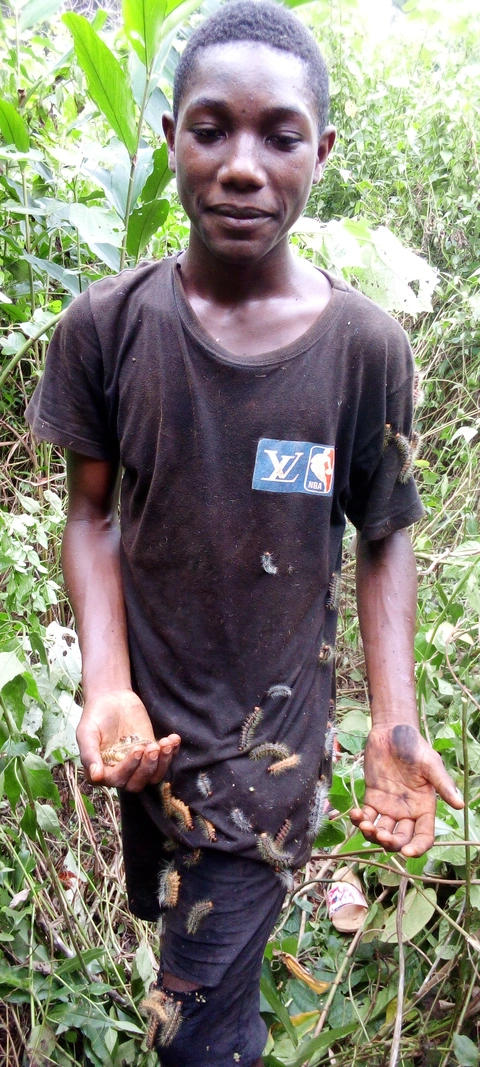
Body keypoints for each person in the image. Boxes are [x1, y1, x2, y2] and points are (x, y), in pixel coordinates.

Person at [26, 2, 463, 1064]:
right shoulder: (108, 325)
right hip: (138, 741)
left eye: (278, 136)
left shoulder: (364, 348)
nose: (240, 165)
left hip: (263, 759)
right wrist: (105, 683)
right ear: (170, 132)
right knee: (180, 948)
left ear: (322, 150)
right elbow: (91, 512)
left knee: (197, 1032)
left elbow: (386, 530)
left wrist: (393, 720)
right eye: (212, 128)